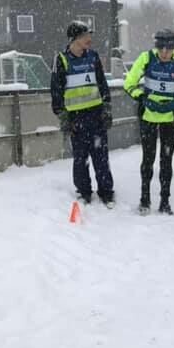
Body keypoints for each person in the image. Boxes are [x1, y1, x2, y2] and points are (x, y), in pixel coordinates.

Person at [123, 29, 174, 215]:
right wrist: (141, 97)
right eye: (161, 49)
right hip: (149, 116)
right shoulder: (146, 58)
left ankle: (165, 201)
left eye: (168, 49)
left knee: (166, 160)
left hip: (170, 118)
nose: (165, 53)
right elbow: (129, 83)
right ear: (156, 47)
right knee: (147, 159)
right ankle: (145, 199)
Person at [50, 21, 115, 208]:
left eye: (89, 35)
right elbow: (56, 91)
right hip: (76, 119)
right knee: (80, 158)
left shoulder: (93, 57)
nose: (89, 39)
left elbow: (102, 84)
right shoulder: (61, 60)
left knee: (101, 157)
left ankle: (106, 192)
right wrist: (63, 117)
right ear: (75, 39)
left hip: (96, 116)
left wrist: (106, 108)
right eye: (85, 35)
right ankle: (84, 192)